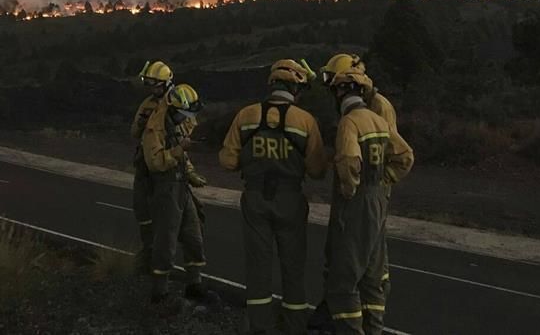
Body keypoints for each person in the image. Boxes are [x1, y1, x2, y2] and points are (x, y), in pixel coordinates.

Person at [219, 59, 327, 334]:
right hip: (291, 200)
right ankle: (294, 327)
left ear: (272, 84)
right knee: (293, 268)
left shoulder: (246, 115)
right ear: (295, 88)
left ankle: (260, 327)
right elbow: (317, 170)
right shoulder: (305, 121)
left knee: (258, 267)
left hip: (255, 198)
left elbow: (228, 161)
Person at [311, 53, 411, 332]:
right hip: (373, 194)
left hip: (360, 198)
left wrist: (356, 185)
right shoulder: (370, 111)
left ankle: (347, 322)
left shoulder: (365, 114)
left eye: (333, 84)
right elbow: (404, 154)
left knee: (348, 271)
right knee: (368, 270)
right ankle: (368, 325)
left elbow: (350, 160)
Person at [141, 82, 209, 303]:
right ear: (173, 109)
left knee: (193, 235)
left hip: (181, 186)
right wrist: (180, 150)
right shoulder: (154, 129)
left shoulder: (176, 125)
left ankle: (194, 284)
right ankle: (160, 291)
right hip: (165, 188)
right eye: (184, 114)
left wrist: (190, 173)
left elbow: (183, 156)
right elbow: (155, 163)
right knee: (166, 240)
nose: (187, 119)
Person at [131, 60, 174, 273]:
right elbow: (134, 132)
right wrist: (141, 123)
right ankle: (148, 250)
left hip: (166, 164)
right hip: (145, 164)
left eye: (156, 86)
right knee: (141, 206)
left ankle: (163, 259)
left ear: (166, 84)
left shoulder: (175, 103)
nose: (152, 90)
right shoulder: (147, 104)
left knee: (167, 213)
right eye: (149, 85)